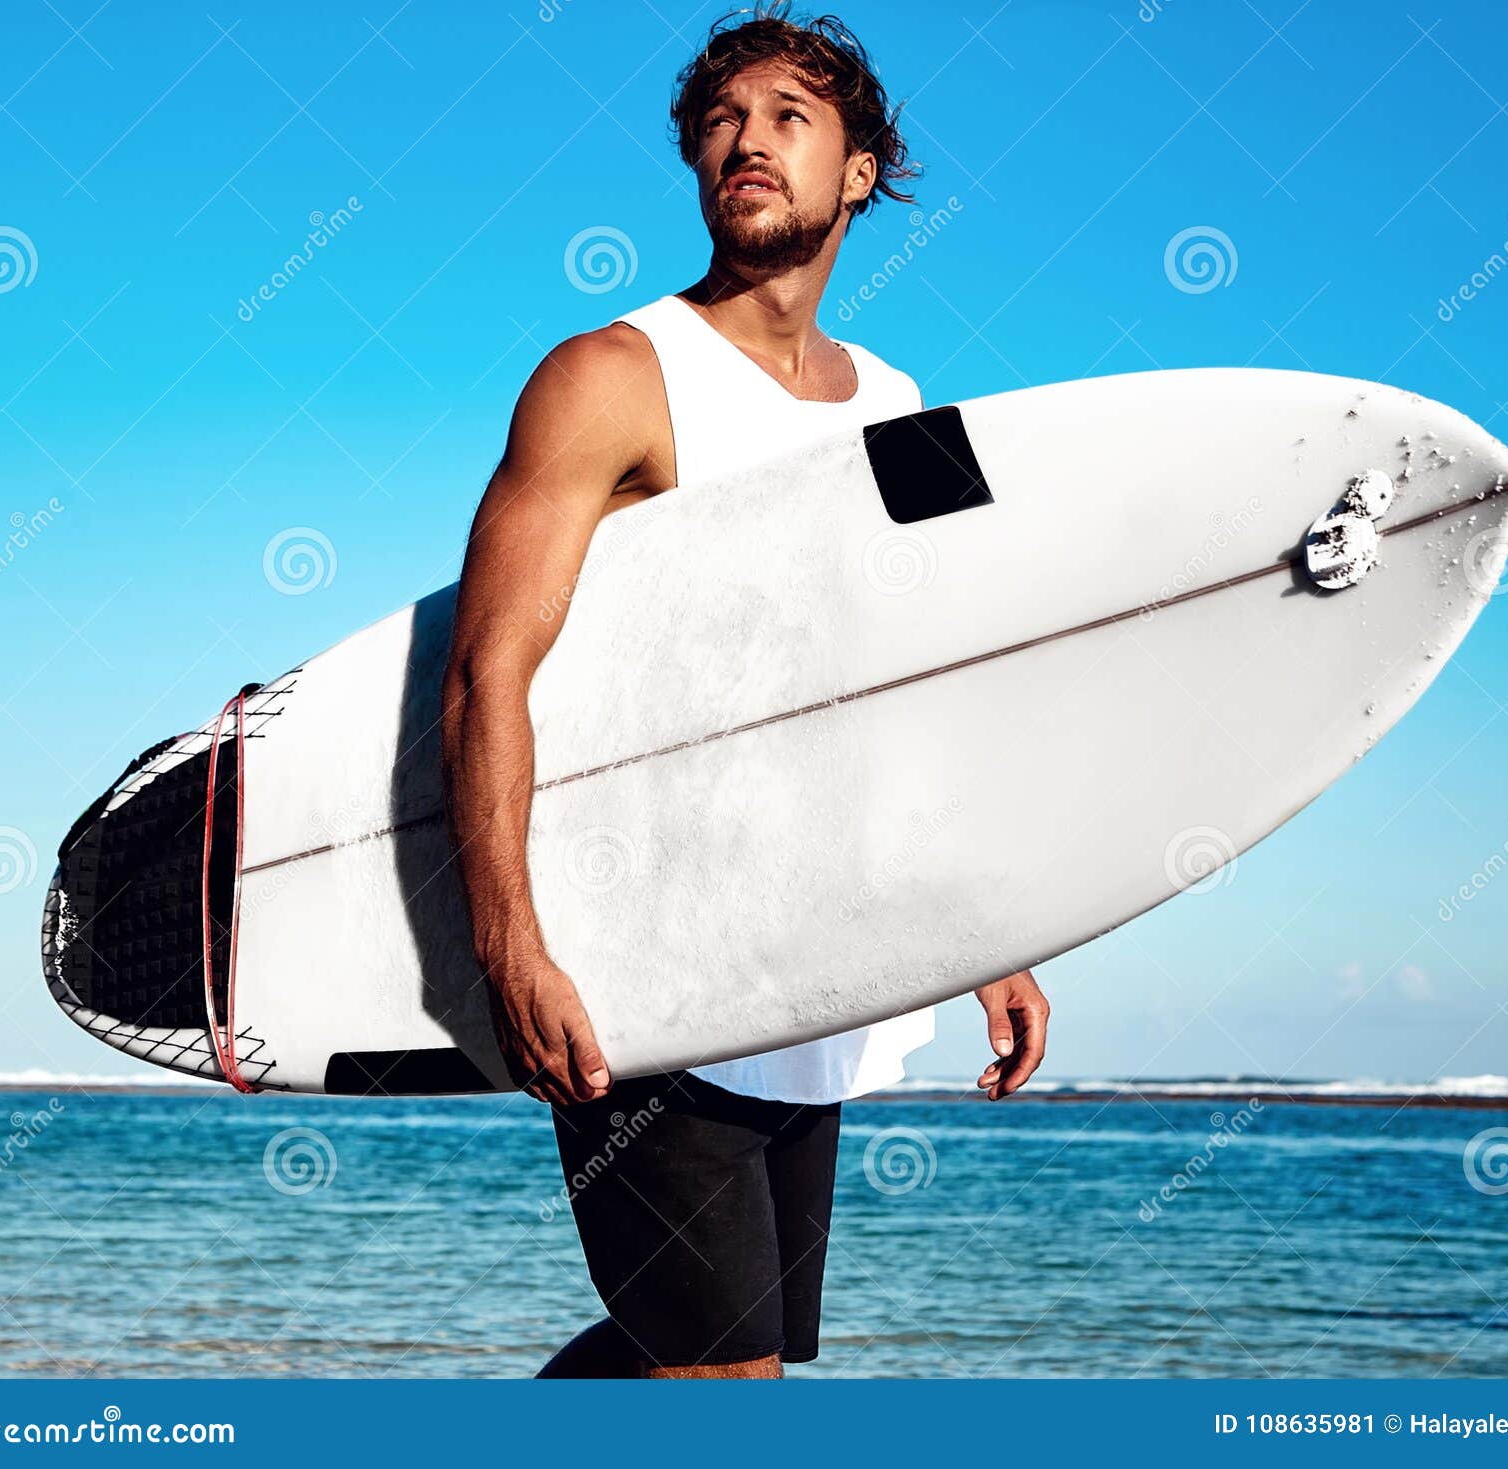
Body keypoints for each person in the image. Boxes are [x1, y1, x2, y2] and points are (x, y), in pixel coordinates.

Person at [440, 4, 1050, 1380]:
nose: (747, 140)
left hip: (808, 966)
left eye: (789, 116)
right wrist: (509, 943)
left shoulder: (904, 401)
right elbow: (491, 669)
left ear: (857, 174)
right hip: (640, 966)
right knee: (732, 1384)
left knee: (702, 1355)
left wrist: (989, 929)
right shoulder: (609, 375)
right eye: (721, 118)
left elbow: (919, 679)